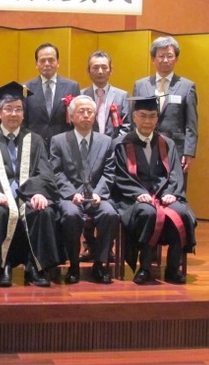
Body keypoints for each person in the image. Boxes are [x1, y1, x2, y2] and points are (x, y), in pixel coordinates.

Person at [0, 81, 61, 288]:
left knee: (43, 211)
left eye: (18, 109)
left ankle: (36, 267)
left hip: (27, 195)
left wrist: (39, 193)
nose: (13, 114)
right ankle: (3, 266)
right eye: (9, 109)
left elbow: (45, 171)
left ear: (23, 114)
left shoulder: (35, 140)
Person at [114, 96, 196, 285]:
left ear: (157, 119)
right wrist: (137, 193)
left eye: (152, 116)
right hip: (133, 198)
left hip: (165, 195)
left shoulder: (167, 143)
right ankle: (144, 268)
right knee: (148, 212)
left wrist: (171, 193)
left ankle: (173, 268)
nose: (147, 121)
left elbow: (175, 173)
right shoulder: (121, 144)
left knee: (181, 212)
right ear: (134, 117)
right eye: (143, 116)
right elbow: (119, 175)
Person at [49, 95, 118, 285]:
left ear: (95, 116)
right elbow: (56, 172)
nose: (86, 115)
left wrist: (99, 193)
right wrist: (72, 193)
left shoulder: (106, 141)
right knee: (71, 214)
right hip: (70, 196)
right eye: (81, 111)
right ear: (71, 116)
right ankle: (73, 265)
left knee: (110, 214)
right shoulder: (58, 141)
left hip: (97, 195)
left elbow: (109, 172)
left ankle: (100, 264)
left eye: (90, 112)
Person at [79, 50, 130, 262]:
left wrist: (108, 146)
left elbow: (126, 127)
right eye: (95, 67)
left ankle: (106, 248)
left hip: (113, 156)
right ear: (88, 70)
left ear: (110, 70)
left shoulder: (122, 96)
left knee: (108, 201)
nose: (100, 71)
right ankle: (89, 244)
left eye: (104, 67)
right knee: (86, 197)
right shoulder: (81, 95)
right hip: (85, 157)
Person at [132, 36, 198, 175]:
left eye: (169, 56)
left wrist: (189, 152)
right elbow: (134, 118)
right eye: (161, 56)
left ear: (176, 59)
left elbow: (191, 124)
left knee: (174, 186)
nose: (165, 60)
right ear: (153, 59)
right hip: (144, 147)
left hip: (175, 149)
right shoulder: (140, 85)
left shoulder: (187, 86)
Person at [24, 42, 81, 147]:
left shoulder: (72, 87)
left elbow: (77, 121)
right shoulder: (26, 88)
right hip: (35, 146)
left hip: (64, 146)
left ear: (58, 62)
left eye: (51, 60)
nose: (47, 64)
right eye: (42, 61)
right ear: (36, 64)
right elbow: (24, 121)